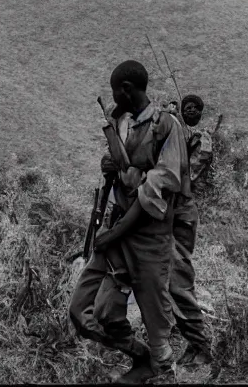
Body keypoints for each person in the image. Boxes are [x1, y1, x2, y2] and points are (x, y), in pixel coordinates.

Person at [69, 60, 190, 383]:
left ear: (126, 89)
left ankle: (160, 370)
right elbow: (121, 172)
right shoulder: (121, 121)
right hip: (117, 231)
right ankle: (140, 356)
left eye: (115, 92)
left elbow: (156, 189)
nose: (113, 98)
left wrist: (116, 232)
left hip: (149, 236)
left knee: (156, 322)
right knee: (85, 312)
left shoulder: (167, 126)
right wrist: (108, 163)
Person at [164, 93, 215, 367]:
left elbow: (192, 169)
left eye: (196, 108)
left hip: (183, 210)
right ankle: (191, 341)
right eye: (187, 108)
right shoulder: (178, 130)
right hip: (175, 209)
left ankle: (201, 345)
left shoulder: (200, 136)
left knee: (178, 276)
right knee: (171, 277)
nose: (191, 111)